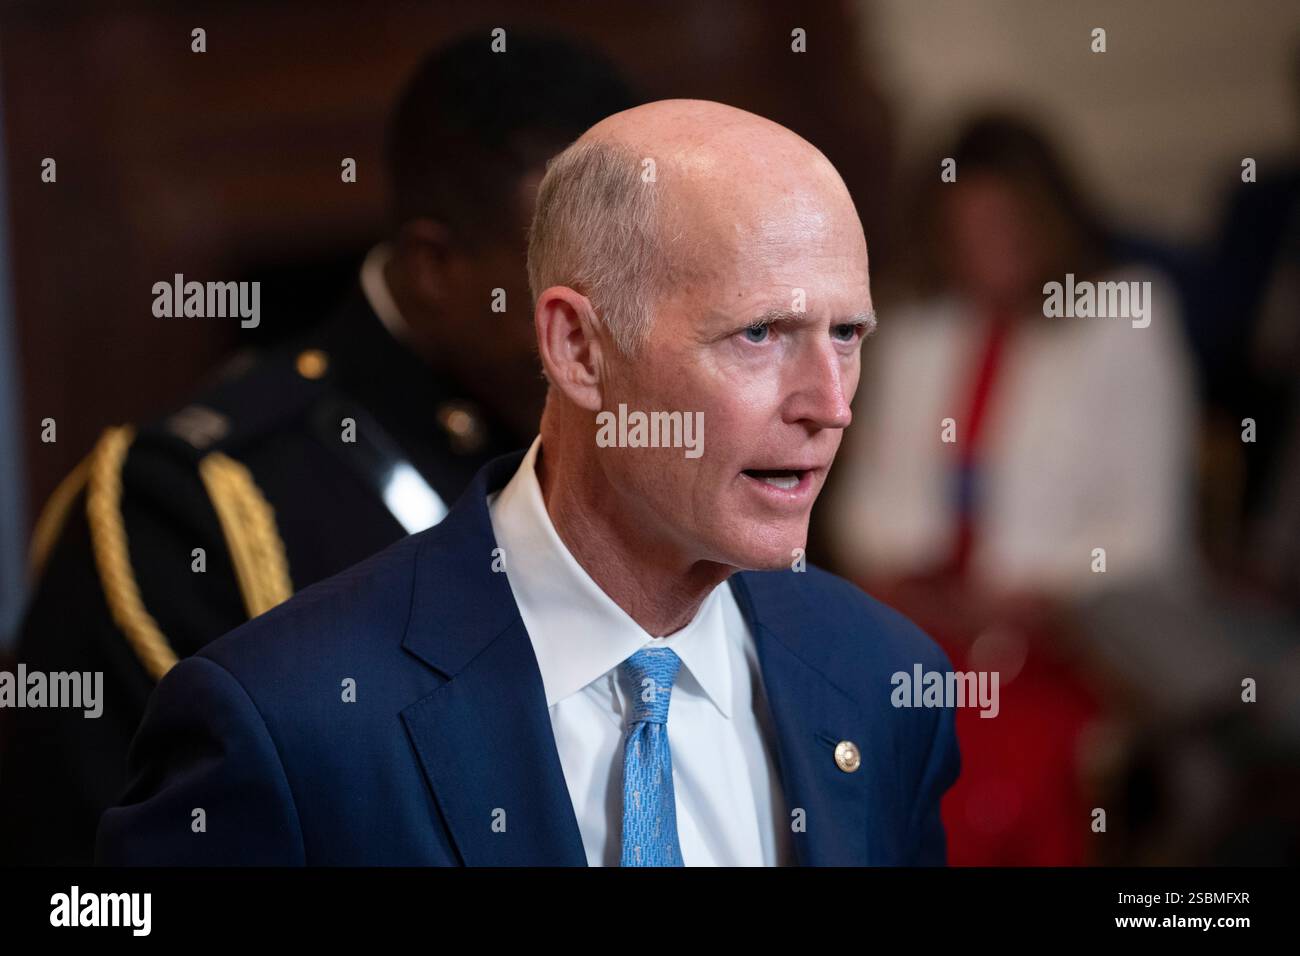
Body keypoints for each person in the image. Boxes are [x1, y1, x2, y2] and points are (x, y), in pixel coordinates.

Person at [96, 99, 960, 866]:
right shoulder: (288, 724)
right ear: (579, 349)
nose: (830, 404)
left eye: (846, 333)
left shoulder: (884, 679)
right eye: (760, 333)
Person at [0, 31, 637, 865]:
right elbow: (89, 890)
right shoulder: (189, 508)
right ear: (435, 266)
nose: (623, 329)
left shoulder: (642, 442)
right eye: (567, 289)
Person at [823, 113, 1198, 864]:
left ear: (1049, 219)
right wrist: (913, 579)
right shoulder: (917, 328)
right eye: (970, 229)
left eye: (1008, 225)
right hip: (929, 629)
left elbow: (1150, 531)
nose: (988, 249)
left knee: (994, 782)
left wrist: (1034, 592)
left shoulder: (1124, 317)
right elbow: (863, 507)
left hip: (1073, 639)